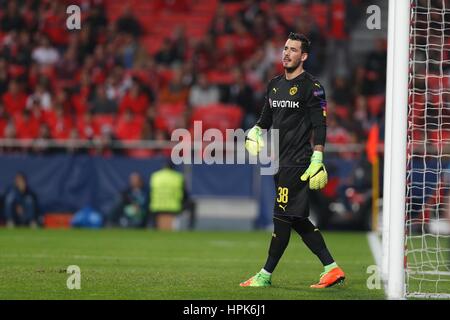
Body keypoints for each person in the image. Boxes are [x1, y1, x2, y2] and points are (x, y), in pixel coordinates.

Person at [241, 32, 345, 289]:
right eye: (285, 48)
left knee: (281, 218)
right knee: (297, 219)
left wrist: (317, 156)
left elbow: (319, 125)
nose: (287, 53)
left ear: (304, 56)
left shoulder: (313, 86)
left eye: (293, 50)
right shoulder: (274, 84)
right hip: (280, 161)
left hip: (298, 162)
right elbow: (265, 119)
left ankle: (265, 275)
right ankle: (332, 268)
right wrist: (254, 131)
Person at [149, 161, 194, 230]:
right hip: (174, 208)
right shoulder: (178, 177)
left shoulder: (155, 176)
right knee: (192, 205)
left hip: (156, 208)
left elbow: (151, 192)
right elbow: (185, 195)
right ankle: (190, 228)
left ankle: (151, 226)